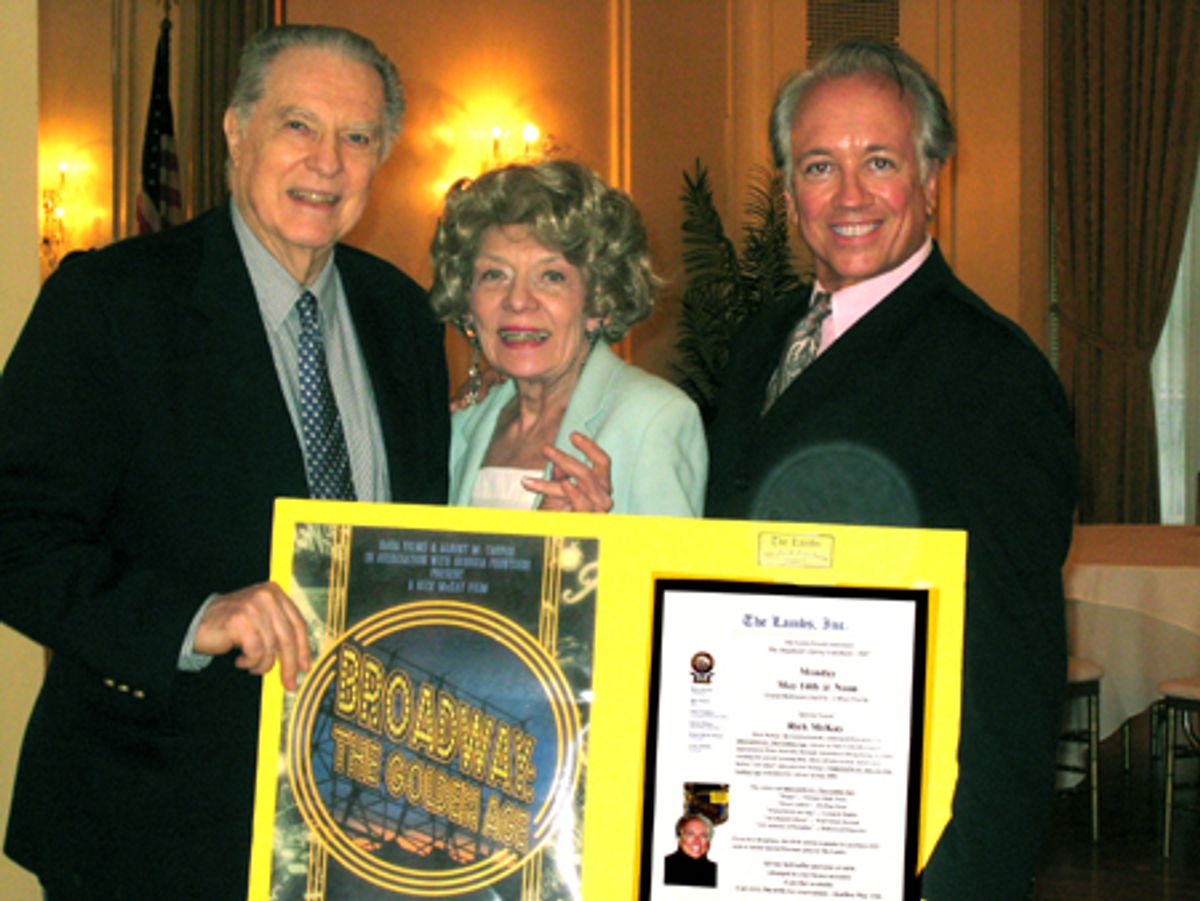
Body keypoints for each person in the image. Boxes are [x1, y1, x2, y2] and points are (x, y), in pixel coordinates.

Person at [0, 25, 449, 899]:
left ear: (381, 157)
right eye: (297, 126)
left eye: (356, 138)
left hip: (358, 827)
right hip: (152, 827)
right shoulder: (113, 303)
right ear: (236, 131)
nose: (326, 162)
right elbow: (11, 531)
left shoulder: (404, 317)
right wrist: (193, 615)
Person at [705, 40, 1077, 899]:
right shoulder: (762, 341)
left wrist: (975, 868)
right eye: (817, 166)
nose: (849, 196)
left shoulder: (994, 374)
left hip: (908, 844)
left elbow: (1014, 666)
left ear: (932, 177)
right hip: (760, 806)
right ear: (789, 189)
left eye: (879, 161)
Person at [430, 159, 707, 516]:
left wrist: (595, 549)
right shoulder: (461, 426)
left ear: (598, 302)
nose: (517, 300)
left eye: (551, 277)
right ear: (467, 302)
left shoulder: (654, 418)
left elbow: (671, 570)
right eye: (494, 275)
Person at [663, 813, 718, 887]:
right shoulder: (663, 867)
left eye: (703, 836)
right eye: (690, 834)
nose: (697, 841)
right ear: (679, 838)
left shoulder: (717, 872)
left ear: (708, 842)